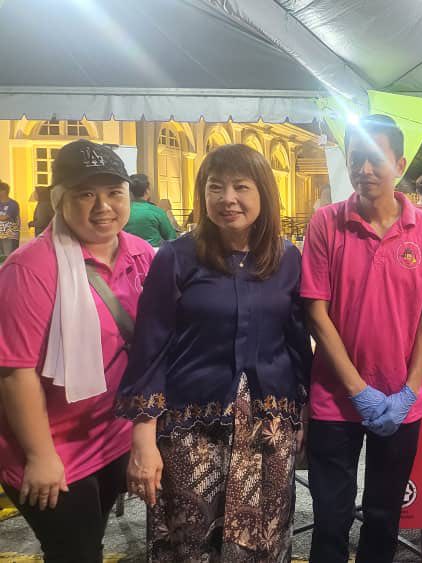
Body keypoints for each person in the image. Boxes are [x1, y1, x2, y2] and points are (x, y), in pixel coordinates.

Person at [115, 144, 312, 561]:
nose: (228, 199)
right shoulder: (175, 258)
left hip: (269, 428)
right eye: (215, 187)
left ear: (263, 193)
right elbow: (151, 348)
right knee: (191, 541)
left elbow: (297, 342)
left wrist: (304, 415)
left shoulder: (287, 259)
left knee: (264, 540)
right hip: (191, 431)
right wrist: (143, 440)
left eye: (241, 187)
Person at [301, 114, 422, 563]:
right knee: (330, 517)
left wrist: (410, 389)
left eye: (376, 159)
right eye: (356, 159)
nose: (364, 169)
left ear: (400, 165)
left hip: (401, 399)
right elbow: (316, 313)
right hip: (335, 399)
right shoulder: (326, 223)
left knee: (385, 515)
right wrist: (357, 390)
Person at [0, 140, 154, 562]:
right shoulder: (30, 268)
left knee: (90, 543)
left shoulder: (141, 254)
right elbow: (14, 372)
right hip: (51, 445)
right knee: (75, 552)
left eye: (114, 192)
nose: (103, 206)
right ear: (59, 199)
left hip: (111, 433)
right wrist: (40, 455)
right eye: (86, 194)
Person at [122, 174, 176, 247]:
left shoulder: (122, 211)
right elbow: (171, 238)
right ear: (147, 191)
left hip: (128, 251)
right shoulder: (157, 211)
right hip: (153, 252)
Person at [0, 181, 20, 260]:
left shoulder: (12, 204)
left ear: (4, 191)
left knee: (8, 257)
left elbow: (4, 217)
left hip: (9, 234)